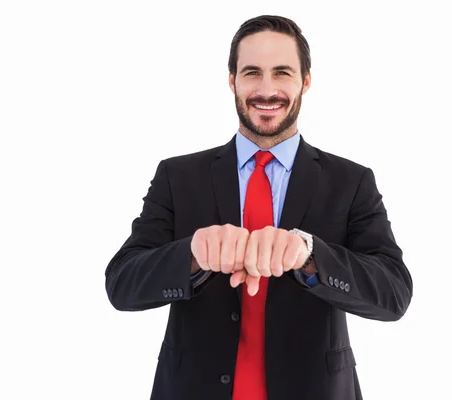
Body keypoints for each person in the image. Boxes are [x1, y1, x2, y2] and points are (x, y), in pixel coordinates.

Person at [105, 14, 413, 400]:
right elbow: (121, 284)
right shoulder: (178, 177)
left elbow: (394, 293)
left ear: (306, 80)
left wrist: (313, 256)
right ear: (232, 80)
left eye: (282, 72)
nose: (267, 90)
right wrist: (190, 255)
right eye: (252, 72)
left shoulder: (351, 182)